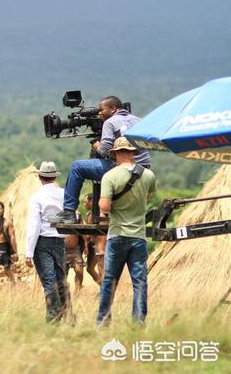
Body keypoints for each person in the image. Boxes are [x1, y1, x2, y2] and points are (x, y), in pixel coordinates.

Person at [49, 96, 151, 224]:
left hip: (122, 169)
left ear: (113, 109)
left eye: (101, 110)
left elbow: (105, 150)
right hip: (143, 169)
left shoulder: (110, 122)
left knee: (77, 167)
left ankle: (69, 212)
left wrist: (97, 146)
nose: (99, 113)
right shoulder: (138, 120)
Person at [96, 137, 156, 327]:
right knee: (139, 283)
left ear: (116, 153)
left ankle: (103, 322)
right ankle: (138, 323)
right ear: (133, 152)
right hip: (138, 236)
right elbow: (147, 197)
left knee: (109, 282)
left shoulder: (110, 176)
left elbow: (105, 207)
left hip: (118, 235)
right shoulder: (148, 175)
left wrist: (104, 204)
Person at [25, 162, 70, 323]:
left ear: (39, 176)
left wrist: (29, 252)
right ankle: (67, 315)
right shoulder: (64, 194)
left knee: (49, 281)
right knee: (60, 279)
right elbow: (71, 214)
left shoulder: (36, 197)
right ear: (54, 177)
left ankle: (53, 318)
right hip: (59, 240)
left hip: (42, 242)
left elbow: (34, 225)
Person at [82, 194, 105, 285]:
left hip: (100, 245)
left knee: (100, 267)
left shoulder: (100, 214)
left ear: (91, 201)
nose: (84, 204)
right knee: (90, 268)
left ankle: (104, 290)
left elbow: (103, 232)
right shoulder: (89, 214)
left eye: (85, 202)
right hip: (93, 244)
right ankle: (102, 286)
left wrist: (102, 246)